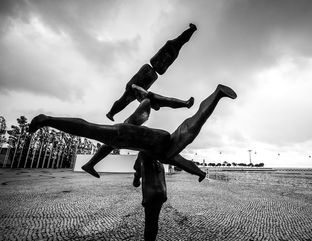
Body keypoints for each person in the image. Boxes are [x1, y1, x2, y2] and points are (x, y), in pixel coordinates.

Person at [29, 84, 237, 182]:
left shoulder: (160, 153)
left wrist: (200, 173)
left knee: (95, 131)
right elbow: (193, 125)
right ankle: (47, 120)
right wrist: (214, 96)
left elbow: (182, 161)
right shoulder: (167, 151)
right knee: (91, 129)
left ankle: (88, 163)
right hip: (132, 134)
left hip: (133, 132)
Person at [82, 84, 194, 178]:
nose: (157, 107)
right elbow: (167, 101)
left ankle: (90, 164)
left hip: (132, 123)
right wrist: (185, 104)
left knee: (111, 143)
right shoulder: (147, 98)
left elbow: (165, 102)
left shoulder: (147, 100)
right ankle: (90, 164)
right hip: (131, 123)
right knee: (110, 141)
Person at [106, 23, 197, 121]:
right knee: (158, 100)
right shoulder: (147, 76)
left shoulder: (150, 71)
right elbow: (133, 86)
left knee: (179, 42)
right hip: (141, 89)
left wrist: (140, 91)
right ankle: (111, 113)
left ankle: (111, 113)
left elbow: (134, 86)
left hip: (141, 86)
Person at [133, 152, 167, 241]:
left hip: (150, 194)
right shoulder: (160, 159)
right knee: (154, 221)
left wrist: (136, 178)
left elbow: (136, 183)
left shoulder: (142, 155)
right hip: (161, 193)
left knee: (149, 222)